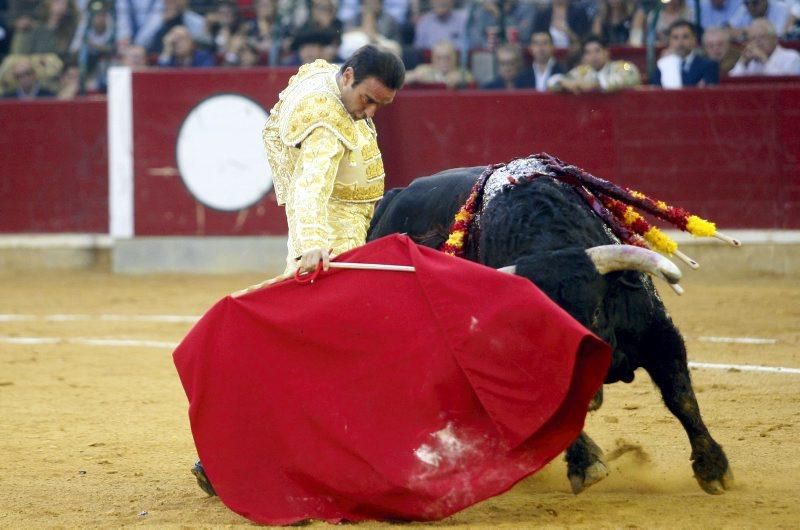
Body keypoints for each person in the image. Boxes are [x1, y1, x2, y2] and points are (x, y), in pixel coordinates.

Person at [262, 45, 405, 278]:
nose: (370, 112)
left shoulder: (326, 77)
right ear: (348, 76)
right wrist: (313, 242)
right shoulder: (326, 123)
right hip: (335, 236)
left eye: (380, 104)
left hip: (335, 223)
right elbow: (310, 185)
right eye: (367, 99)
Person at [548, 35, 640, 93]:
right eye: (588, 53)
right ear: (584, 57)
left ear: (606, 52)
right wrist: (563, 83)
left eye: (597, 51)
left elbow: (632, 74)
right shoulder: (582, 71)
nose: (593, 56)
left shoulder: (622, 66)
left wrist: (596, 85)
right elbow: (552, 81)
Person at [651, 21, 719, 87]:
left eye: (685, 37)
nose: (680, 42)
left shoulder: (708, 65)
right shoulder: (662, 65)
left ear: (694, 40)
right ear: (669, 41)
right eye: (675, 37)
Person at [730, 17, 800, 74]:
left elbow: (784, 85)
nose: (757, 42)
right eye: (753, 38)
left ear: (774, 39)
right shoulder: (750, 60)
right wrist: (743, 63)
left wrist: (764, 60)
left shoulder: (792, 57)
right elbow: (731, 85)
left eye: (761, 37)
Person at [404, 39, 473, 88]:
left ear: (455, 58)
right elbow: (400, 79)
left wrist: (461, 80)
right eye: (438, 58)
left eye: (447, 57)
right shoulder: (423, 69)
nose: (443, 61)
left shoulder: (462, 73)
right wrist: (414, 76)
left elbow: (471, 79)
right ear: (432, 59)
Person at [729, 0, 794, 38]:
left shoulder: (781, 8)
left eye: (755, 3)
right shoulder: (744, 8)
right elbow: (728, 30)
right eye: (746, 3)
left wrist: (745, 32)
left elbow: (777, 35)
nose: (750, 7)